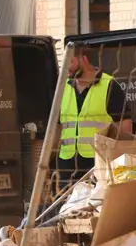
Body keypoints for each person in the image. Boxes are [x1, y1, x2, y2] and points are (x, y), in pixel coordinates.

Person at [56, 46, 131, 193]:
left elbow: (125, 130)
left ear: (84, 59)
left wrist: (119, 164)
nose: (67, 68)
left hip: (98, 166)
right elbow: (57, 128)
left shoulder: (110, 86)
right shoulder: (62, 87)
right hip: (66, 167)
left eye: (70, 62)